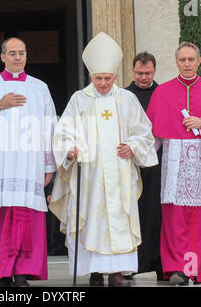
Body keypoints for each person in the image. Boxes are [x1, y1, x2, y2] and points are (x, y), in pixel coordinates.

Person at [49, 32, 158, 287]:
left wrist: (132, 147)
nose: (103, 83)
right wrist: (70, 149)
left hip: (120, 173)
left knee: (118, 217)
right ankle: (94, 271)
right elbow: (62, 132)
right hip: (89, 175)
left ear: (116, 77)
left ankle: (117, 272)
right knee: (91, 221)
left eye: (107, 79)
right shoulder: (79, 100)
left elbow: (145, 132)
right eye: (98, 78)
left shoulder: (126, 99)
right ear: (90, 76)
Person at [0, 37, 57, 287]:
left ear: (27, 56)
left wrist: (48, 165)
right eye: (12, 53)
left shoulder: (40, 88)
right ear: (2, 56)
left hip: (29, 162)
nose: (17, 57)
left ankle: (22, 272)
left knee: (25, 215)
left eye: (22, 53)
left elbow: (49, 126)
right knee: (0, 215)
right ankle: (3, 272)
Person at [146, 42, 201, 285]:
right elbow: (151, 135)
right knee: (176, 219)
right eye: (182, 60)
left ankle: (193, 269)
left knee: (199, 220)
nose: (186, 64)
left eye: (191, 59)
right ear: (176, 62)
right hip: (175, 165)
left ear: (199, 61)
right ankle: (178, 270)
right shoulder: (163, 92)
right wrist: (133, 154)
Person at [125, 52, 163, 281]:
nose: (143, 77)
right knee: (133, 213)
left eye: (148, 73)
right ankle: (132, 265)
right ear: (132, 71)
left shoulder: (163, 93)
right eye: (139, 73)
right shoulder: (124, 96)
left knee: (157, 213)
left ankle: (160, 264)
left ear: (154, 71)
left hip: (157, 164)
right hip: (131, 164)